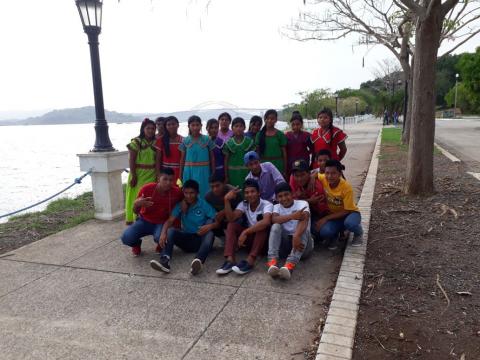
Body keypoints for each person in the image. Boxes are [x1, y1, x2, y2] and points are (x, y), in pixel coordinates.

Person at [150, 180, 218, 275]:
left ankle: (198, 262)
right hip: (186, 239)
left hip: (200, 240)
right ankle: (165, 261)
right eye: (186, 193)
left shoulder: (203, 204)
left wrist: (210, 226)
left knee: (210, 234)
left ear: (197, 193)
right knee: (171, 231)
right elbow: (170, 221)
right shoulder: (181, 205)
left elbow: (217, 219)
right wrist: (163, 232)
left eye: (192, 193)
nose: (189, 196)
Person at [216, 179, 273, 275]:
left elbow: (266, 222)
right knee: (231, 225)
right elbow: (231, 218)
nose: (250, 195)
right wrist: (226, 200)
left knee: (262, 226)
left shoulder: (267, 204)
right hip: (251, 240)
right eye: (246, 192)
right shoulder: (244, 204)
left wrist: (245, 232)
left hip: (263, 243)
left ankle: (250, 261)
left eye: (252, 191)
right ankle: (230, 260)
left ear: (259, 193)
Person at [121, 168, 183, 256]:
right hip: (144, 221)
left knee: (164, 238)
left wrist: (177, 225)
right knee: (126, 238)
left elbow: (184, 202)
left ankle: (160, 244)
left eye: (171, 180)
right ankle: (136, 244)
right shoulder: (146, 189)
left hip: (162, 223)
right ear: (158, 179)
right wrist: (137, 204)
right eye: (165, 179)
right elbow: (135, 211)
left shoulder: (177, 192)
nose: (168, 183)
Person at [267, 182, 313, 280]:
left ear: (292, 194)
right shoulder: (276, 207)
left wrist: (296, 236)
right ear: (276, 198)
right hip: (286, 246)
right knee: (275, 226)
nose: (284, 198)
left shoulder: (302, 203)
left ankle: (289, 265)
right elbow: (274, 219)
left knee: (303, 231)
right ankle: (272, 262)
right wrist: (292, 216)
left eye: (286, 194)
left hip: (303, 247)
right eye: (280, 196)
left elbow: (304, 220)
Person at [314, 160, 363, 250]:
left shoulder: (346, 187)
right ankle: (334, 236)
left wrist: (325, 218)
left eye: (333, 173)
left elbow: (346, 210)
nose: (329, 176)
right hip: (335, 216)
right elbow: (315, 174)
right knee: (325, 232)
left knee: (350, 223)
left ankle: (358, 233)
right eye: (327, 173)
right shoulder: (324, 178)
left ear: (340, 174)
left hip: (350, 213)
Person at [125, 118, 157, 225]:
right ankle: (135, 218)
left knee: (149, 195)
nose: (151, 131)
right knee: (136, 195)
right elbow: (131, 160)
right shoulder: (136, 142)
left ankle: (147, 217)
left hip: (152, 173)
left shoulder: (156, 142)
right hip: (138, 173)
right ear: (143, 129)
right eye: (148, 128)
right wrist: (134, 176)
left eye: (153, 128)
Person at [179, 115, 215, 198]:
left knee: (204, 191)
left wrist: (213, 173)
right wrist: (180, 176)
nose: (195, 127)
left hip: (204, 171)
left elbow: (212, 158)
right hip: (189, 171)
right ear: (189, 126)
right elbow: (182, 159)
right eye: (193, 125)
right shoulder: (185, 140)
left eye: (197, 125)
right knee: (189, 192)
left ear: (201, 126)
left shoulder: (207, 139)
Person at [289, 159, 329, 229]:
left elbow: (322, 211)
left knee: (320, 230)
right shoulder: (292, 179)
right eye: (296, 175)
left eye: (302, 175)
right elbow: (291, 201)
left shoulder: (316, 186)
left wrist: (301, 199)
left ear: (309, 174)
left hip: (317, 213)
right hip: (300, 212)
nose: (299, 178)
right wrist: (309, 200)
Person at [205, 173, 242, 239]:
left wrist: (224, 212)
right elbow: (208, 212)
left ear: (224, 183)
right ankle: (224, 239)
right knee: (209, 223)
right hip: (220, 220)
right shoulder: (208, 197)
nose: (215, 189)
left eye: (217, 186)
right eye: (212, 187)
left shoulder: (234, 192)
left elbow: (241, 211)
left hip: (234, 219)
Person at [223, 117, 255, 188]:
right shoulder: (229, 143)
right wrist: (226, 175)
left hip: (247, 171)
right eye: (236, 126)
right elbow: (226, 160)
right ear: (232, 128)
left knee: (247, 189)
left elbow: (253, 159)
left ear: (244, 128)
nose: (238, 128)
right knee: (234, 192)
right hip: (232, 173)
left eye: (241, 126)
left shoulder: (249, 141)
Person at [256, 109, 288, 176]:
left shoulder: (280, 134)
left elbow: (284, 153)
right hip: (263, 165)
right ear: (264, 119)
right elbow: (257, 153)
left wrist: (285, 170)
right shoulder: (259, 134)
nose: (269, 120)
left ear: (276, 120)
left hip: (278, 165)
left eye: (272, 119)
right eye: (267, 118)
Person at [155, 116, 183, 184]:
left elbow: (183, 159)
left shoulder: (183, 140)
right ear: (166, 126)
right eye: (169, 124)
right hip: (165, 173)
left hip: (179, 172)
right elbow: (158, 160)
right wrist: (158, 175)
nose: (171, 126)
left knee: (178, 192)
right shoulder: (161, 140)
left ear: (178, 125)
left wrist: (181, 175)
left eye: (173, 124)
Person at [285, 111, 313, 177]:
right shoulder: (286, 136)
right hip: (290, 162)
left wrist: (306, 153)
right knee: (292, 179)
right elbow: (284, 150)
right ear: (290, 124)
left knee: (303, 177)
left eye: (298, 124)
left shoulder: (307, 135)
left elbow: (312, 149)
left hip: (304, 161)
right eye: (293, 124)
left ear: (301, 124)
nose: (295, 126)